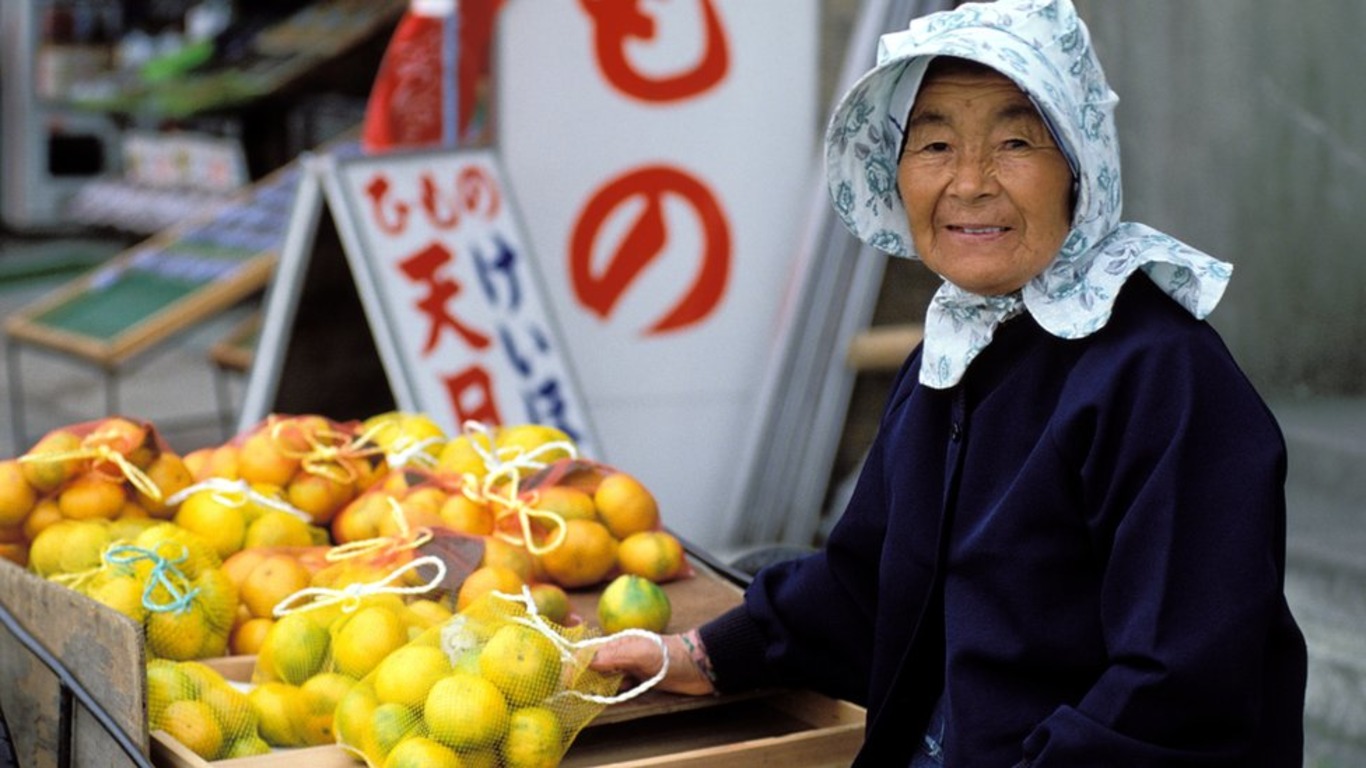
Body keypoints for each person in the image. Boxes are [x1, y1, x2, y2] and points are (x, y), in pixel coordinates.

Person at [589, 0, 1309, 765]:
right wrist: (706, 655)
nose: (968, 182)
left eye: (1014, 141)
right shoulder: (962, 343)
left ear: (1080, 164)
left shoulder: (1162, 378)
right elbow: (871, 583)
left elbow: (1175, 691)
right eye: (934, 142)